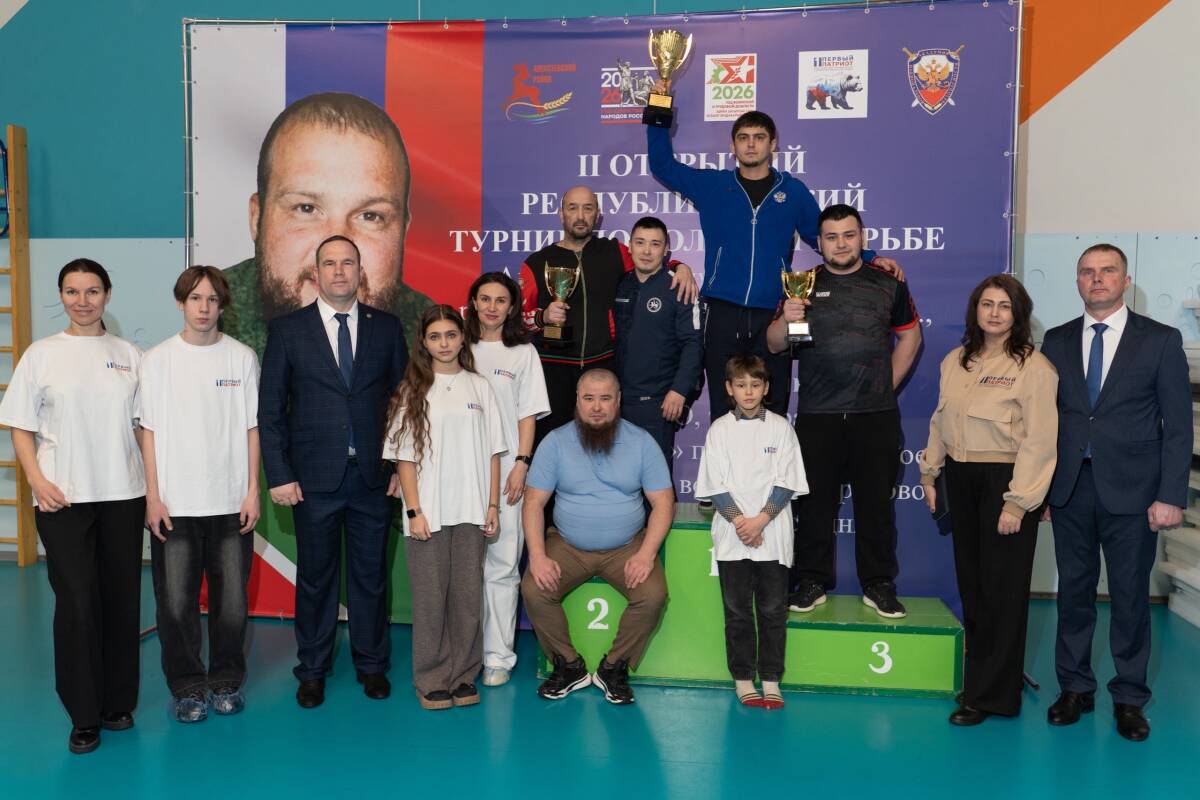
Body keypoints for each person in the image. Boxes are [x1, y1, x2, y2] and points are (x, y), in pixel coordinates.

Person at [647, 103, 899, 419]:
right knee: (725, 409)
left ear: (773, 144)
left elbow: (823, 238)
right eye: (743, 137)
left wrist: (871, 258)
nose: (751, 144)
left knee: (774, 408)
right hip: (722, 312)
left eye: (759, 137)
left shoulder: (792, 192)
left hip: (774, 314)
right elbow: (662, 165)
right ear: (732, 146)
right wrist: (659, 102)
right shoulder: (713, 186)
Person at [1040, 243, 1190, 742]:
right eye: (1087, 272)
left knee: (1129, 597)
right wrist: (1042, 490)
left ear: (1126, 281)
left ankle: (1129, 697)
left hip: (1136, 493)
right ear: (1077, 282)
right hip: (1070, 489)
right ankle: (1074, 688)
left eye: (1108, 271)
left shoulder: (1161, 340)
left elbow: (1178, 427)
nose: (1097, 279)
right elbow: (1045, 422)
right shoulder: (1056, 340)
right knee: (1073, 594)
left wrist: (1170, 495)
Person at [0, 259, 145, 754]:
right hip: (62, 500)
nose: (82, 301)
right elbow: (20, 425)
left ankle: (118, 702)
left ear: (108, 294)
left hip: (123, 495)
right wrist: (37, 480)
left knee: (121, 600)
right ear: (61, 295)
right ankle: (84, 714)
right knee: (78, 603)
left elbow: (142, 429)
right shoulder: (41, 355)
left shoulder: (128, 355)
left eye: (92, 291)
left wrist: (155, 488)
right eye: (72, 291)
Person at [258, 234, 408, 709]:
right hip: (312, 481)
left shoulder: (387, 328)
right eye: (330, 263)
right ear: (316, 272)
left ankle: (372, 665)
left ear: (360, 271)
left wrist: (400, 468)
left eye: (347, 263)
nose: (339, 271)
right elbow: (271, 411)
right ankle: (312, 670)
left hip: (373, 479)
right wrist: (279, 474)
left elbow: (403, 404)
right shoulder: (288, 330)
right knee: (316, 580)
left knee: (370, 578)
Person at [766, 204, 921, 619]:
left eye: (848, 235)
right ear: (819, 243)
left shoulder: (888, 283)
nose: (840, 244)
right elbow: (775, 344)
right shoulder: (802, 284)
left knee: (876, 507)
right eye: (831, 237)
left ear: (862, 238)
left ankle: (879, 584)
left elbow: (911, 337)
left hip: (876, 415)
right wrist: (788, 318)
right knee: (814, 506)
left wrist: (884, 385)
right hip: (818, 416)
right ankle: (811, 582)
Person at [918, 274, 1058, 726]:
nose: (994, 313)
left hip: (1006, 480)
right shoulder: (955, 361)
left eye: (1004, 306)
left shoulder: (1034, 367)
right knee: (975, 588)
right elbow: (940, 422)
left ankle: (995, 697)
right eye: (987, 304)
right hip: (960, 477)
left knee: (1003, 591)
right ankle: (981, 682)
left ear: (1018, 314)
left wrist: (1018, 502)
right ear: (975, 310)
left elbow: (1040, 441)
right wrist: (930, 472)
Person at [139, 266, 261, 723]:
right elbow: (148, 432)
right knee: (175, 604)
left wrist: (252, 491)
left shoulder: (241, 358)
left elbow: (252, 429)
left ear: (222, 305)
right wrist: (153, 497)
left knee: (232, 603)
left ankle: (226, 680)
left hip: (230, 504)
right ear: (180, 303)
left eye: (212, 299)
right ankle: (187, 686)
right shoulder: (157, 360)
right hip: (175, 505)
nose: (204, 308)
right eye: (195, 298)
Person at [223, 92, 432, 357]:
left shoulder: (432, 337)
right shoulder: (207, 316)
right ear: (257, 219)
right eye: (306, 209)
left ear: (403, 231)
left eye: (370, 216)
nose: (337, 249)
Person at [520, 369, 673, 705]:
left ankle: (613, 668)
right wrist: (538, 556)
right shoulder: (556, 442)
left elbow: (663, 503)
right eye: (589, 398)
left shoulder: (642, 442)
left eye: (605, 398)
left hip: (627, 547)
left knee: (653, 595)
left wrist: (646, 554)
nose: (597, 407)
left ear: (618, 401)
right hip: (567, 545)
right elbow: (533, 503)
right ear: (577, 400)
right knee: (533, 588)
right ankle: (569, 666)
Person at [385, 305, 506, 710]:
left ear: (462, 338)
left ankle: (463, 675)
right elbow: (404, 458)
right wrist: (414, 511)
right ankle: (432, 679)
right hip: (429, 515)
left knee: (467, 600)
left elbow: (493, 452)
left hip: (473, 512)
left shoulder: (479, 387)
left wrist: (493, 505)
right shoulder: (411, 390)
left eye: (451, 335)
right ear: (424, 342)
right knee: (430, 601)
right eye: (435, 336)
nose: (444, 344)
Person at [518, 186, 696, 449]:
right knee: (551, 450)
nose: (581, 215)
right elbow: (518, 322)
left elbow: (647, 260)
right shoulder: (536, 262)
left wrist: (679, 266)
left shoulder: (615, 252)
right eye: (573, 208)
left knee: (601, 451)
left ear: (598, 215)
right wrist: (542, 317)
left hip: (602, 370)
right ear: (561, 214)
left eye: (588, 208)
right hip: (553, 373)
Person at [695, 355, 808, 709]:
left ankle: (771, 679)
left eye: (755, 385)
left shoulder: (781, 428)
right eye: (741, 385)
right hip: (732, 537)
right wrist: (742, 524)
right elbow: (714, 486)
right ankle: (743, 679)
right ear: (729, 389)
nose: (748, 392)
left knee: (773, 611)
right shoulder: (719, 430)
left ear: (766, 388)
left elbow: (788, 482)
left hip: (772, 535)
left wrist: (759, 521)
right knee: (737, 611)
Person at [463, 272, 550, 687]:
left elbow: (527, 414)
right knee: (462, 568)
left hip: (508, 475)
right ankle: (463, 654)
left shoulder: (523, 353)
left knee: (501, 566)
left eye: (501, 300)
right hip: (459, 472)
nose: (492, 307)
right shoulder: (456, 347)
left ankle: (497, 656)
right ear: (473, 303)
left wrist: (521, 463)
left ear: (512, 307)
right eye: (485, 299)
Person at [613, 216, 703, 474]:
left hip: (657, 403)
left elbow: (693, 344)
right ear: (630, 246)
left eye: (655, 244)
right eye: (640, 242)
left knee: (654, 479)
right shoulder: (619, 284)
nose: (646, 251)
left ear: (666, 250)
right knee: (618, 478)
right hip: (616, 402)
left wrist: (679, 390)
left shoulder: (680, 287)